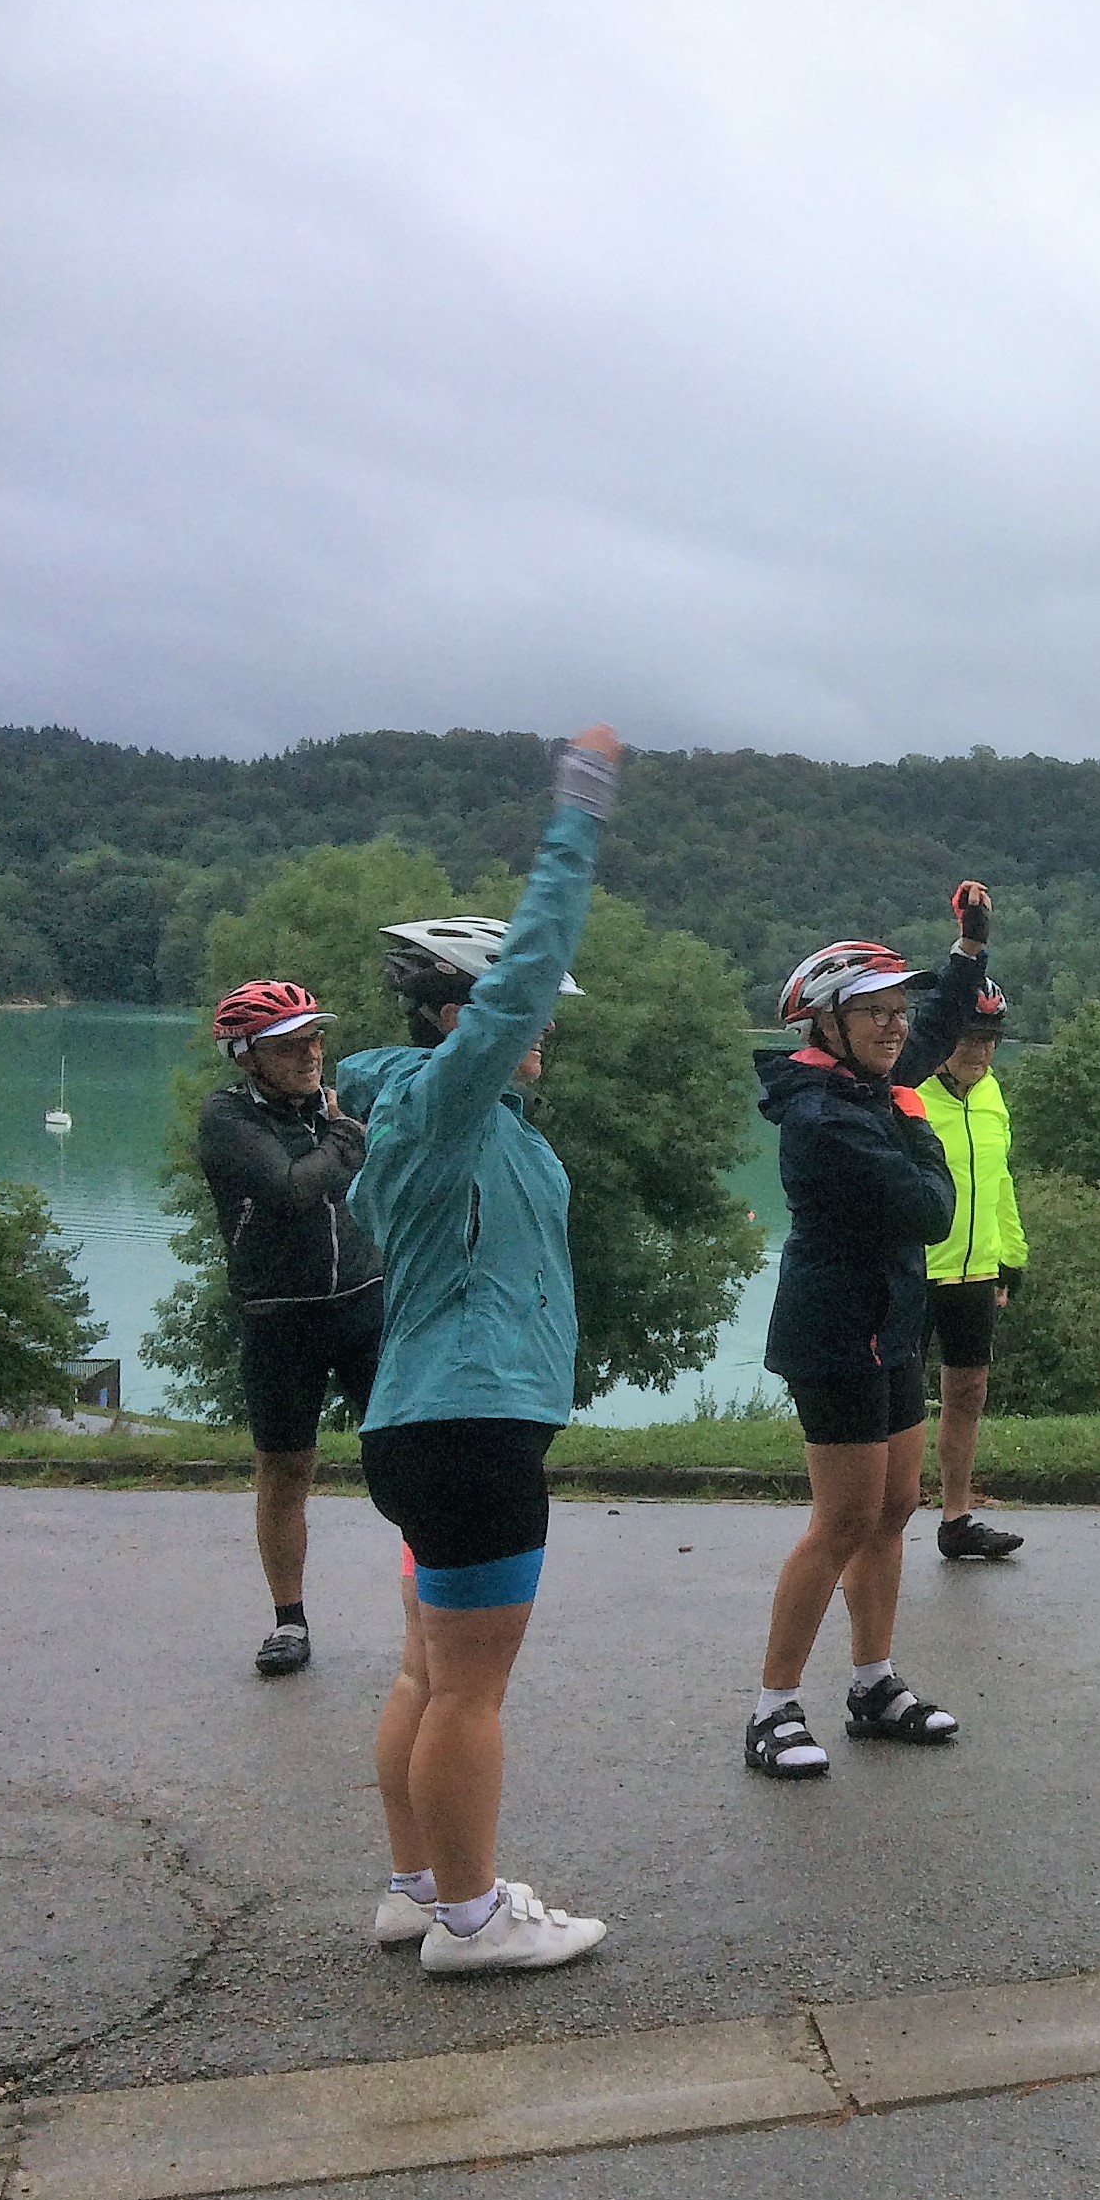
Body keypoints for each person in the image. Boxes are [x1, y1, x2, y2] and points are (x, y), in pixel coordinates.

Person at [338, 726, 623, 1975]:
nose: (541, 1036)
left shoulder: (466, 1124)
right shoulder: (443, 1107)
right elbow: (523, 979)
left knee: (426, 1669)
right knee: (469, 1691)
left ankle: (418, 1889)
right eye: (521, 1019)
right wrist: (581, 816)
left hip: (434, 1422)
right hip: (467, 1427)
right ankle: (471, 1918)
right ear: (465, 1020)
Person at [744, 885, 995, 1779]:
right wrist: (923, 1133)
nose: (896, 1027)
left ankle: (873, 1683)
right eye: (874, 1013)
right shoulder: (823, 1118)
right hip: (834, 1331)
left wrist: (968, 952)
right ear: (824, 1024)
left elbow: (927, 1040)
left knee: (894, 1508)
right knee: (843, 1517)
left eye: (898, 1009)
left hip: (892, 1323)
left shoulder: (866, 1084)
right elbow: (930, 1210)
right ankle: (772, 1707)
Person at [195, 978, 385, 1677]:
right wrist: (346, 1135)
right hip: (281, 1318)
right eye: (290, 1044)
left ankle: (436, 1606)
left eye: (315, 1037)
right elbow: (290, 1189)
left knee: (405, 1454)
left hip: (364, 1300)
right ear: (248, 1056)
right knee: (284, 1468)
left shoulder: (336, 1106)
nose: (311, 1052)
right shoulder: (227, 1118)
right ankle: (289, 1621)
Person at [919, 976, 1026, 1563]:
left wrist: (1011, 1256)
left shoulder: (991, 1095)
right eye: (968, 1037)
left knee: (968, 1392)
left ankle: (955, 1518)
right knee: (897, 1404)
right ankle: (877, 1516)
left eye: (990, 1039)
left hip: (976, 1270)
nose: (980, 1051)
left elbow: (999, 1182)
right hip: (916, 1269)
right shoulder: (905, 1092)